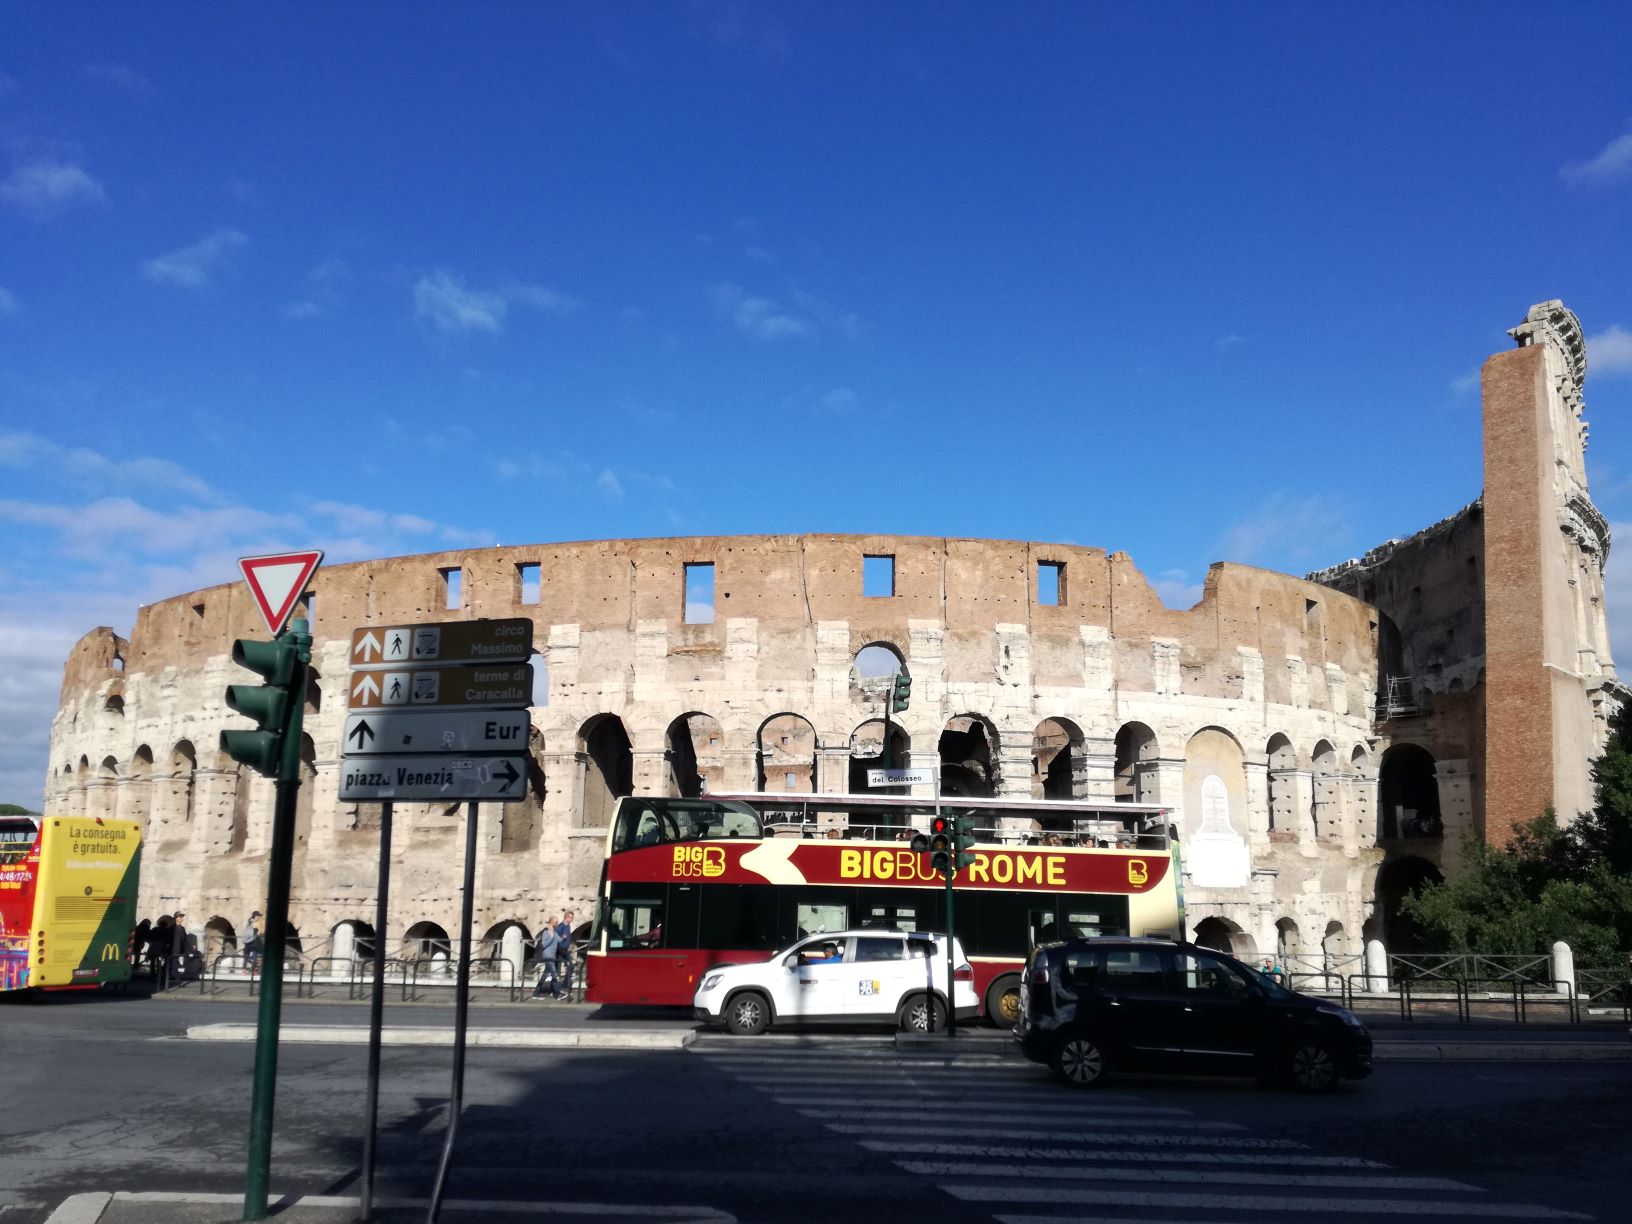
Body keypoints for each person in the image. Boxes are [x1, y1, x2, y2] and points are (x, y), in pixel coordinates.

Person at [530, 914, 563, 999]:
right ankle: (557, 993)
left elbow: (559, 940)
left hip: (552, 956)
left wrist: (564, 937)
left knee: (545, 975)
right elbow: (544, 944)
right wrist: (551, 938)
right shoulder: (546, 932)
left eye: (557, 922)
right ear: (551, 923)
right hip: (547, 955)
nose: (557, 924)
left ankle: (536, 993)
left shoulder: (555, 933)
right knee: (554, 974)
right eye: (555, 923)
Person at [554, 911, 577, 998]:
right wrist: (562, 938)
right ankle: (559, 989)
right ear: (566, 917)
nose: (572, 919)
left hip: (565, 949)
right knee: (559, 968)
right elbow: (555, 936)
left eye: (572, 917)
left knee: (569, 966)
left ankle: (563, 987)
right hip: (560, 949)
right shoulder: (561, 926)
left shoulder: (568, 926)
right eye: (571, 917)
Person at [242, 911, 264, 975]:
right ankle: (253, 971)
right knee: (253, 956)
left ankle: (246, 970)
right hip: (253, 942)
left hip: (248, 942)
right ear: (255, 916)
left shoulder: (249, 921)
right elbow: (261, 931)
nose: (259, 917)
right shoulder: (255, 923)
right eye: (258, 916)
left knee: (247, 956)